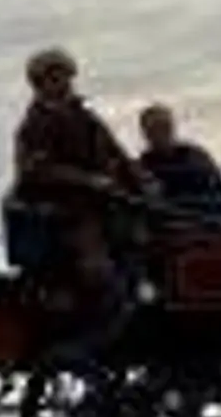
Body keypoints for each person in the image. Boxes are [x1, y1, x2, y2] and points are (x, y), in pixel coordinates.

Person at [9, 47, 154, 362]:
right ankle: (79, 346)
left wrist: (146, 183)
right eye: (55, 76)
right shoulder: (34, 124)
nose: (64, 81)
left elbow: (118, 155)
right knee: (105, 280)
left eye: (66, 75)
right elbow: (35, 171)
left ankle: (127, 333)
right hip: (62, 219)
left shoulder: (86, 117)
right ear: (39, 82)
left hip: (104, 214)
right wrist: (87, 180)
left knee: (144, 259)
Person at [136, 103, 221, 216]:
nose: (161, 134)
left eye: (165, 127)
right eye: (155, 129)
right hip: (170, 219)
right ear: (146, 134)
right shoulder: (142, 167)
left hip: (206, 214)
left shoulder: (196, 156)